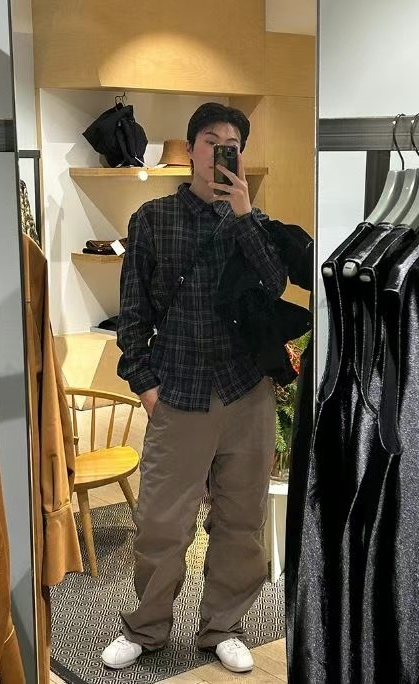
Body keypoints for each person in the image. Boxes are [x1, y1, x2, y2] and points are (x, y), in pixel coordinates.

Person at [102, 102, 287, 673]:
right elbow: (132, 313)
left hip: (247, 392)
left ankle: (223, 627)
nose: (221, 152)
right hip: (178, 391)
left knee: (241, 520)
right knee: (161, 521)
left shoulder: (256, 222)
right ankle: (147, 627)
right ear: (190, 150)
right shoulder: (152, 219)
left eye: (233, 145)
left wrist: (245, 215)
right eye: (211, 141)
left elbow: (275, 284)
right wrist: (145, 385)